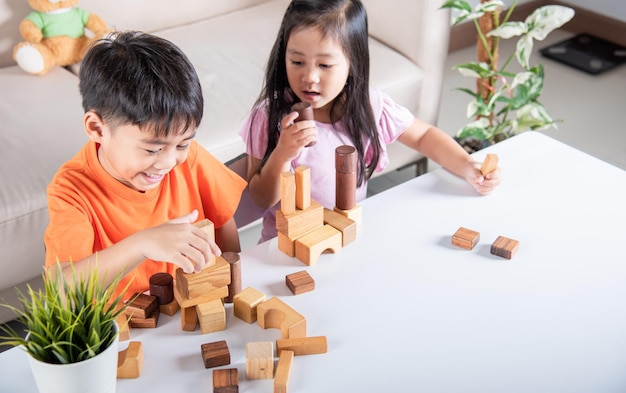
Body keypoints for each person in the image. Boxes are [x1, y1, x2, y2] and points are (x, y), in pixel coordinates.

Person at [239, 0, 501, 243]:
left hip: (348, 239)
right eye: (296, 61)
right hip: (286, 247)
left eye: (325, 65)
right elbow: (260, 199)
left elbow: (423, 136)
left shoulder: (368, 106)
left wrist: (467, 164)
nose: (309, 77)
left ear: (353, 62)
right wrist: (283, 153)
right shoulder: (268, 117)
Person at [44, 31, 247, 300]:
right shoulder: (71, 190)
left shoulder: (191, 159)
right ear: (97, 129)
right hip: (126, 328)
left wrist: (232, 293)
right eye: (152, 149)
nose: (168, 162)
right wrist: (142, 244)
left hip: (189, 309)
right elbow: (60, 288)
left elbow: (223, 223)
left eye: (183, 144)